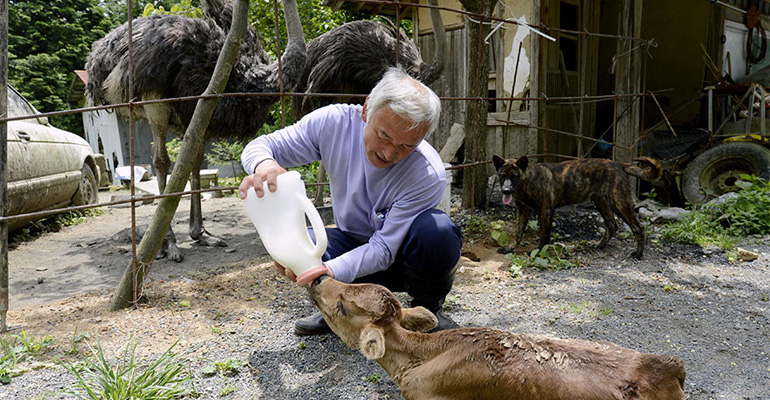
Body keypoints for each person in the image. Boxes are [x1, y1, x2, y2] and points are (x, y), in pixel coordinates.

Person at [239, 67, 463, 335]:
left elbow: (383, 249)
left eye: (407, 146)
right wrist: (264, 164)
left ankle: (427, 310)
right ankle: (336, 309)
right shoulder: (333, 123)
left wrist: (327, 272)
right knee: (305, 242)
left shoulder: (427, 173)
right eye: (384, 135)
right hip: (350, 241)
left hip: (403, 259)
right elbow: (259, 146)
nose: (389, 153)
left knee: (438, 231)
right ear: (367, 109)